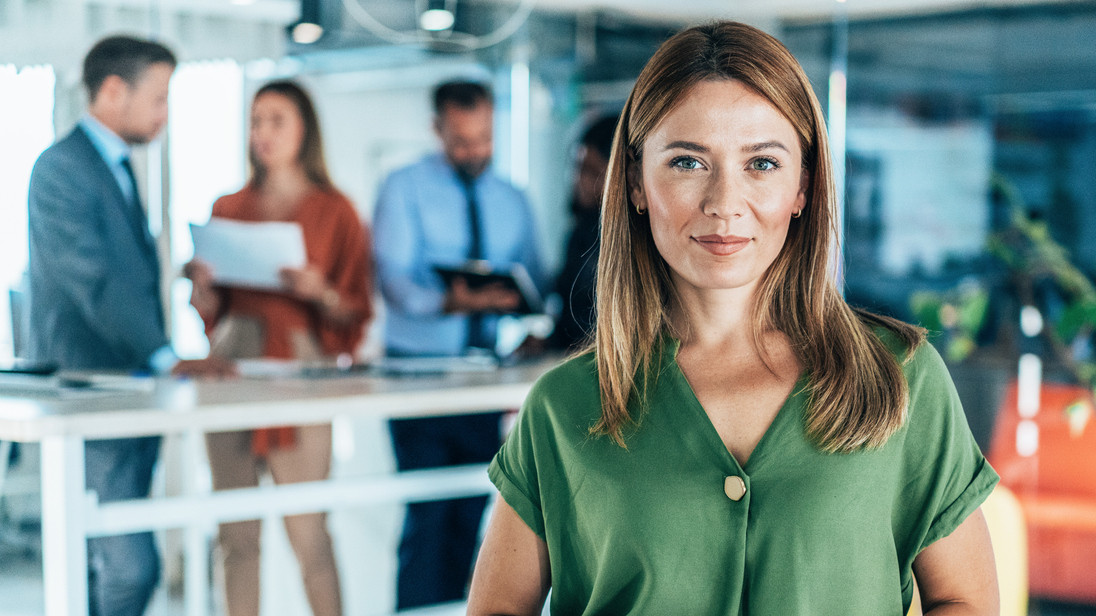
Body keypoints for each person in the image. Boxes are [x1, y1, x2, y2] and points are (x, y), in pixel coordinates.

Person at [468, 21, 1000, 615]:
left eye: (763, 164)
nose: (725, 202)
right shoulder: (563, 407)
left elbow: (965, 598)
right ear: (638, 183)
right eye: (688, 162)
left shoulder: (899, 379)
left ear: (804, 185)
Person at [27, 35, 234, 616]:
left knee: (112, 560)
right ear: (114, 91)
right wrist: (168, 355)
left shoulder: (113, 167)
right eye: (160, 97)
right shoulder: (62, 168)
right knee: (127, 567)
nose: (164, 113)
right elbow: (93, 281)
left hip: (128, 388)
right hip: (87, 389)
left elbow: (115, 272)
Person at [185, 80, 373, 616]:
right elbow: (211, 312)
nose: (262, 133)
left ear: (304, 130)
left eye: (276, 121)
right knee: (236, 533)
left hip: (300, 364)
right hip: (231, 364)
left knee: (308, 530)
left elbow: (355, 308)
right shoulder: (227, 204)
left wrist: (321, 291)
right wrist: (199, 287)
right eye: (255, 120)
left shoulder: (336, 210)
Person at [372, 80, 546, 610]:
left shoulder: (513, 200)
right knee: (427, 516)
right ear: (437, 129)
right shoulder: (403, 187)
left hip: (482, 375)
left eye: (484, 138)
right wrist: (451, 302)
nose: (474, 151)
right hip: (417, 371)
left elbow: (537, 278)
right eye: (461, 139)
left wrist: (512, 300)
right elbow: (396, 283)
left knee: (475, 514)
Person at [550, 113, 618, 351]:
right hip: (573, 363)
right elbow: (571, 315)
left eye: (591, 171)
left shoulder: (632, 240)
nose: (579, 180)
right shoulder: (579, 232)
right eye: (578, 168)